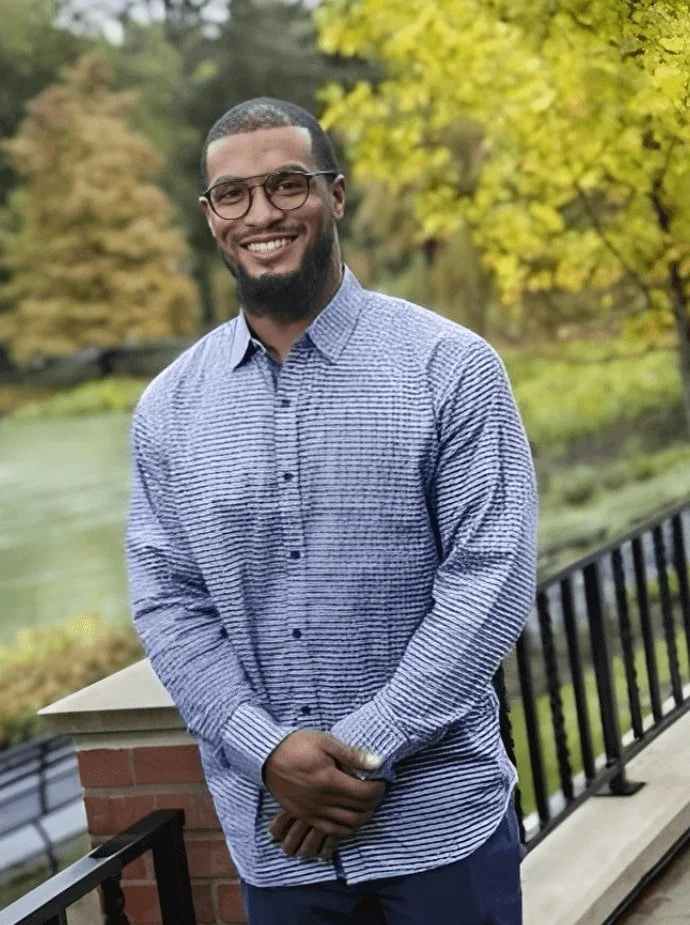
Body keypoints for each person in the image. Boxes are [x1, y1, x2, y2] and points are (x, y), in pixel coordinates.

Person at [126, 97, 538, 925]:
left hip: (440, 830)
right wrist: (267, 751)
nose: (262, 213)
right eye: (233, 195)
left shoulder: (450, 368)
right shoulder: (168, 408)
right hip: (277, 844)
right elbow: (171, 602)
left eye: (287, 184)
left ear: (336, 195)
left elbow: (488, 582)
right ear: (211, 218)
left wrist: (362, 750)